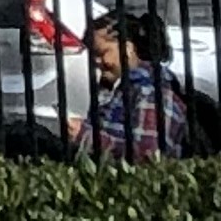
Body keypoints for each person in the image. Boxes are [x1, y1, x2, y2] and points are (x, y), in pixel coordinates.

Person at [75, 10, 190, 163]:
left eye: (101, 53)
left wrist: (84, 137)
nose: (95, 61)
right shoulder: (113, 90)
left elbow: (148, 156)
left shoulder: (153, 93)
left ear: (127, 48)